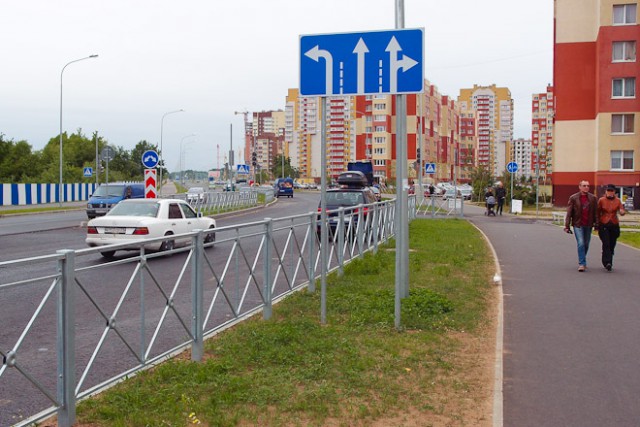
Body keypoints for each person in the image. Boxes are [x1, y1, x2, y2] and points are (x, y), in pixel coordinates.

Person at [564, 180, 597, 272]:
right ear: (579, 187)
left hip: (588, 224)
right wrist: (567, 225)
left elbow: (595, 213)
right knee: (581, 243)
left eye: (588, 186)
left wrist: (596, 224)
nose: (586, 187)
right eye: (584, 185)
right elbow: (569, 212)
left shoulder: (593, 198)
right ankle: (582, 263)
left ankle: (583, 258)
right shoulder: (574, 198)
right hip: (578, 224)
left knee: (586, 244)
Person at [596, 184, 626, 271]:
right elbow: (597, 212)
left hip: (614, 224)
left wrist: (622, 212)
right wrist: (597, 223)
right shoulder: (601, 200)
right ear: (606, 192)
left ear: (614, 192)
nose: (610, 193)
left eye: (611, 191)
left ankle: (608, 258)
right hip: (604, 224)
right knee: (606, 243)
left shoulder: (618, 201)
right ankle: (608, 262)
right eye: (608, 191)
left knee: (612, 244)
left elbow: (622, 210)